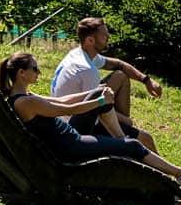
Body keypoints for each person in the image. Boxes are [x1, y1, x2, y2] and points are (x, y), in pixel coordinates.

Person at [0, 51, 181, 195]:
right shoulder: (26, 103)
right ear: (21, 73)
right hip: (71, 147)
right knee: (134, 146)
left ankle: (122, 141)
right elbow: (67, 109)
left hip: (70, 137)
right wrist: (99, 101)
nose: (39, 72)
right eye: (35, 68)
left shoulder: (24, 97)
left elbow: (62, 100)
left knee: (106, 106)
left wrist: (95, 94)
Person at [52, 17, 164, 154]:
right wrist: (126, 121)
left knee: (120, 76)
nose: (108, 37)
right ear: (90, 40)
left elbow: (119, 65)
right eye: (104, 35)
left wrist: (146, 81)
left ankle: (123, 133)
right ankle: (162, 175)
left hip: (70, 115)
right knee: (145, 139)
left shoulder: (80, 54)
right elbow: (95, 109)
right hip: (75, 127)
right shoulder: (87, 70)